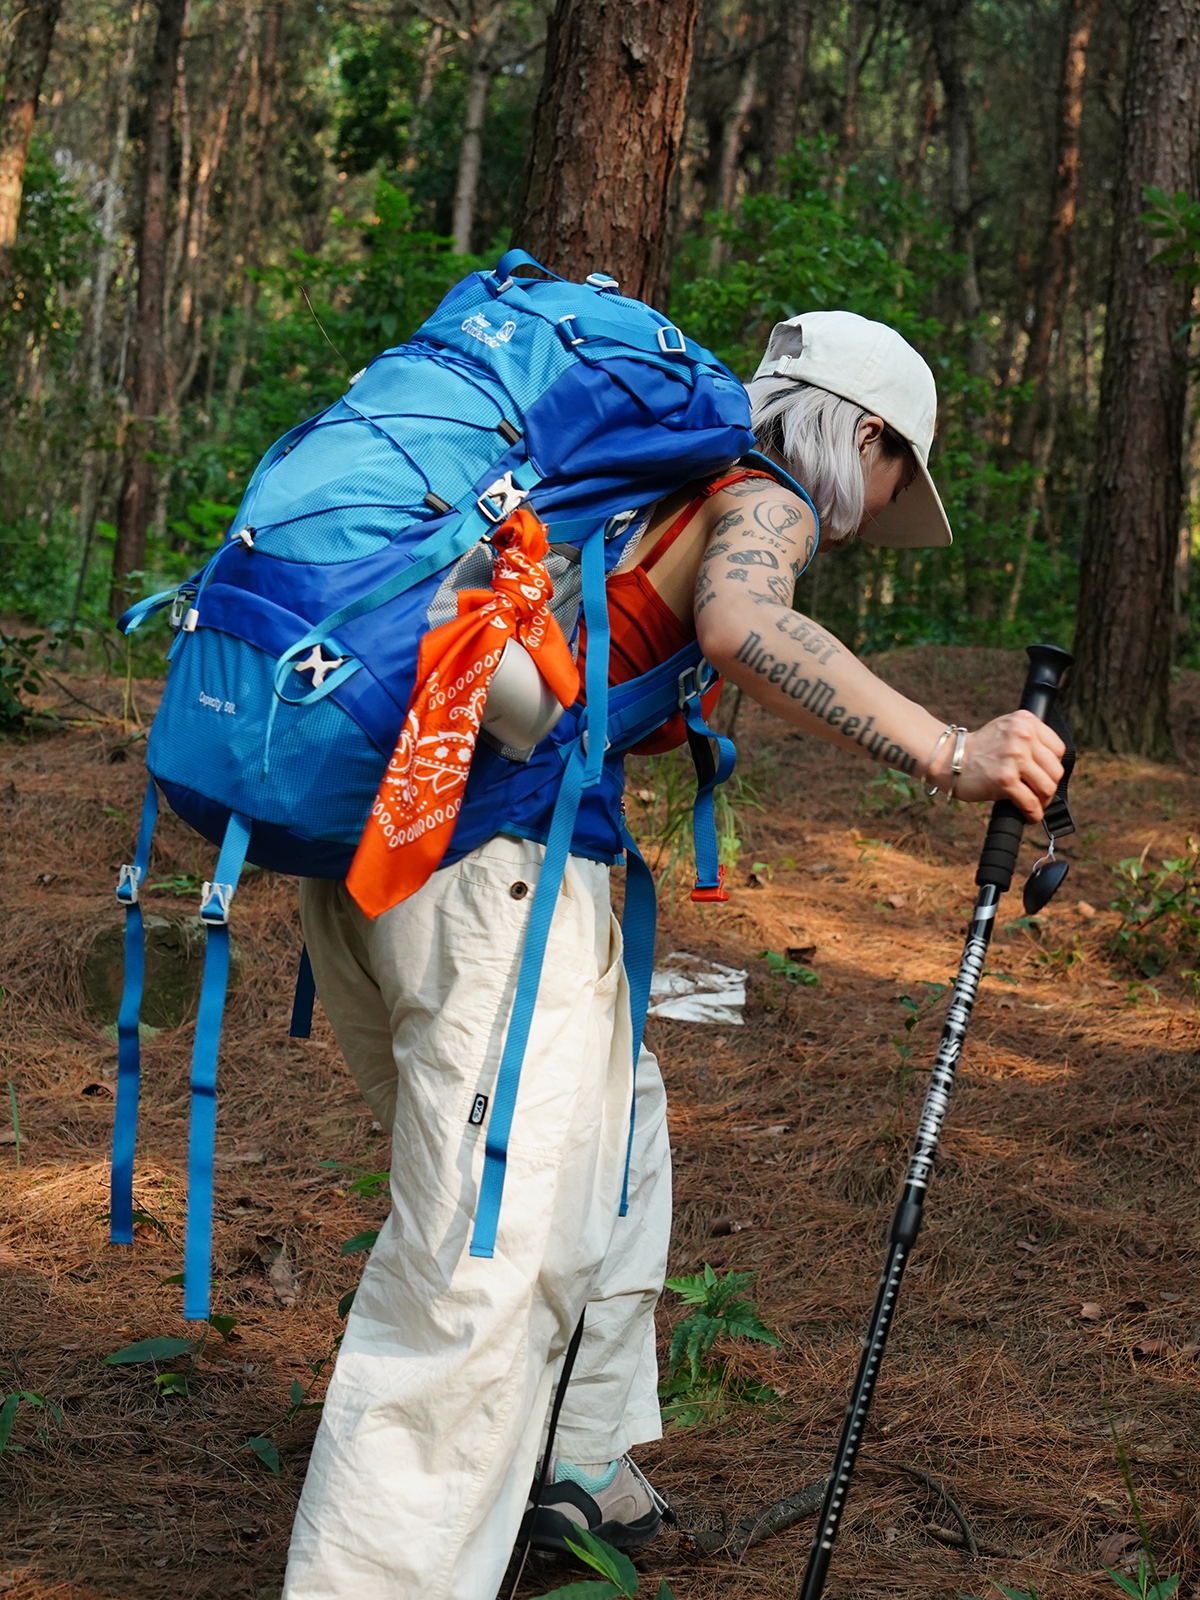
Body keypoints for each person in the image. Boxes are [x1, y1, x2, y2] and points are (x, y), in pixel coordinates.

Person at [280, 310, 1064, 1600]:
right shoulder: (757, 493)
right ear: (859, 434)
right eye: (889, 476)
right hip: (493, 878)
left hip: (395, 860)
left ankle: (570, 1467)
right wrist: (948, 748)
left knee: (616, 1149)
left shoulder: (643, 486)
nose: (874, 512)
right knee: (483, 1258)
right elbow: (746, 628)